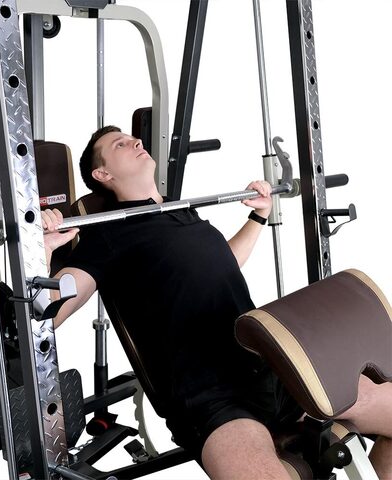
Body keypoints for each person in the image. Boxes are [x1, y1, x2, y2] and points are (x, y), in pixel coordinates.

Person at [42, 126, 392, 480]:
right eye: (120, 144)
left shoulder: (182, 212)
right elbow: (50, 313)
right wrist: (43, 249)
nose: (136, 141)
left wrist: (258, 217)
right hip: (211, 397)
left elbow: (223, 263)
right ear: (103, 174)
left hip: (275, 367)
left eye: (133, 138)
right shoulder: (107, 235)